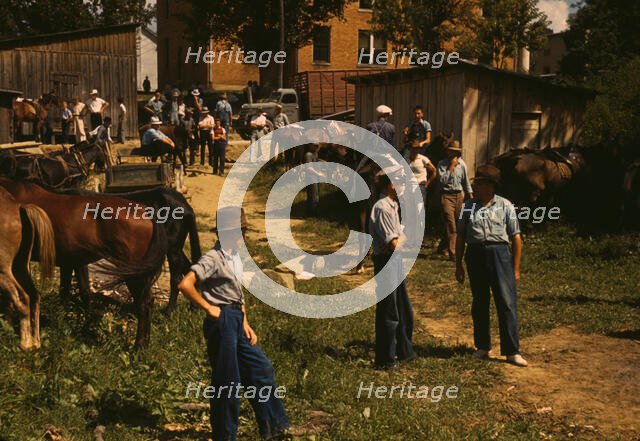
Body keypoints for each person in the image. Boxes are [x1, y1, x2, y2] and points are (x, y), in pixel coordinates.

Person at [178, 207, 291, 441]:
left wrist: (246, 322)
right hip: (222, 322)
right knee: (228, 382)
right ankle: (225, 435)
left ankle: (273, 427)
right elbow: (185, 284)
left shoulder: (235, 256)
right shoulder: (214, 258)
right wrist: (209, 308)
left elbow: (237, 293)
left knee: (262, 369)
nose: (244, 236)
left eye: (244, 230)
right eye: (241, 231)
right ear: (229, 233)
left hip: (237, 320)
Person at [455, 164, 527, 367]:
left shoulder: (505, 205)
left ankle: (512, 351)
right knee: (479, 302)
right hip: (475, 255)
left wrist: (515, 268)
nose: (475, 187)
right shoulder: (468, 206)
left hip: (500, 255)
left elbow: (516, 238)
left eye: (479, 183)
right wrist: (458, 264)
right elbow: (460, 236)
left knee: (506, 302)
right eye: (475, 183)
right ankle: (483, 347)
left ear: (490, 186)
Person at [369, 171, 416, 369]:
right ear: (391, 185)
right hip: (386, 261)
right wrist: (406, 243)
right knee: (389, 311)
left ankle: (404, 351)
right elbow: (393, 243)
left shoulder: (393, 206)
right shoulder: (382, 208)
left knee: (403, 308)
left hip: (394, 260)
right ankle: (386, 360)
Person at [437, 141, 473, 260]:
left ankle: (443, 247)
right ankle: (454, 253)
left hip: (459, 196)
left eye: (455, 151)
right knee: (451, 224)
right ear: (447, 151)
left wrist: (470, 195)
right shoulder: (442, 164)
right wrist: (451, 167)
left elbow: (465, 181)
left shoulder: (462, 164)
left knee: (457, 224)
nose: (453, 153)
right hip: (446, 196)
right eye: (451, 151)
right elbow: (442, 181)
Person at [404, 140, 436, 243]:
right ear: (410, 149)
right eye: (413, 148)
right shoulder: (405, 159)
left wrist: (427, 184)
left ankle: (418, 238)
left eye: (417, 148)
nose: (415, 150)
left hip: (420, 187)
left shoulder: (423, 159)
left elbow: (434, 171)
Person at [303, 144, 323, 216]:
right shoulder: (308, 155)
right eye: (315, 146)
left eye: (318, 146)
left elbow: (316, 160)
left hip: (315, 178)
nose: (318, 147)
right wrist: (318, 173)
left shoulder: (315, 153)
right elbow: (309, 168)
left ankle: (313, 213)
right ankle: (311, 214)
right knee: (313, 196)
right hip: (311, 178)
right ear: (310, 146)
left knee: (316, 195)